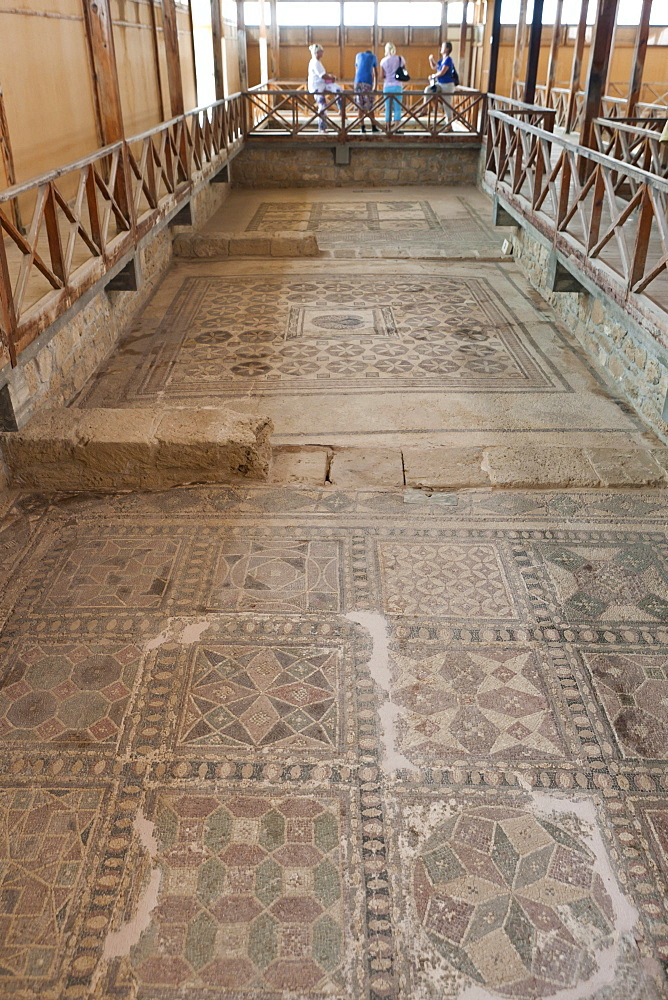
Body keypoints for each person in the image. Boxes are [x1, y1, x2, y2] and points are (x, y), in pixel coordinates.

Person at [307, 43, 343, 132]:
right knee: (322, 105)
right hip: (316, 87)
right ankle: (321, 127)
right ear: (317, 52)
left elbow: (323, 75)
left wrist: (330, 77)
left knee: (338, 89)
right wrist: (332, 77)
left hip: (322, 84)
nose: (322, 53)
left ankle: (341, 109)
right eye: (321, 52)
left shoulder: (317, 62)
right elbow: (322, 75)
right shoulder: (315, 62)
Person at [425, 41, 456, 124]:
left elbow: (442, 72)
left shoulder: (448, 59)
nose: (441, 49)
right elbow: (434, 66)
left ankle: (449, 125)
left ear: (447, 49)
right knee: (428, 89)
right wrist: (431, 59)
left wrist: (433, 76)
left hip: (447, 85)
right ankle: (426, 108)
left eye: (443, 47)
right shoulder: (442, 60)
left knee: (447, 105)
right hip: (440, 84)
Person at [380, 42, 407, 128]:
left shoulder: (383, 61)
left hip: (387, 86)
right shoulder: (400, 59)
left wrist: (388, 75)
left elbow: (381, 76)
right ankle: (396, 127)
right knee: (397, 108)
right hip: (397, 85)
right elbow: (405, 71)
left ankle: (388, 126)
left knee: (388, 107)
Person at [354, 48, 379, 133]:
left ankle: (362, 127)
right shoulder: (373, 57)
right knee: (369, 106)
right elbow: (376, 74)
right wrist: (375, 87)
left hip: (357, 82)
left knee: (360, 106)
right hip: (367, 82)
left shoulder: (358, 55)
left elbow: (356, 70)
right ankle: (373, 126)